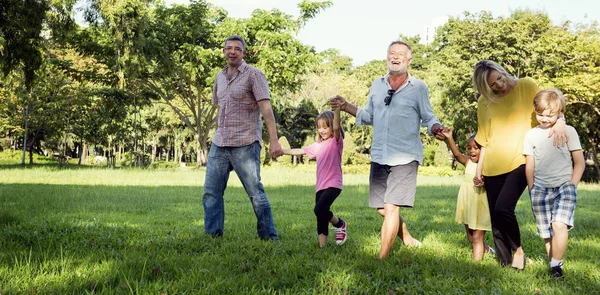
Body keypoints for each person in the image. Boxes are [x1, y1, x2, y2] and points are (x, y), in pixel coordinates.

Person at [331, 40, 445, 259]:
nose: (395, 56)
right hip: (380, 154)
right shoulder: (377, 84)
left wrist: (436, 128)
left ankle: (381, 258)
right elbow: (369, 116)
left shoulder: (418, 87)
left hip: (405, 156)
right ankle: (408, 239)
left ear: (409, 60)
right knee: (383, 209)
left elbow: (428, 117)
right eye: (392, 53)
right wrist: (345, 106)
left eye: (400, 54)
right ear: (387, 57)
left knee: (392, 207)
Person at [471, 60, 567, 269]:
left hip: (522, 159)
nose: (499, 85)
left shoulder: (526, 85)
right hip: (492, 165)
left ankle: (518, 251)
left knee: (504, 208)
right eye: (492, 85)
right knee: (496, 216)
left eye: (499, 78)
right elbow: (485, 139)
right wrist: (479, 170)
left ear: (502, 71)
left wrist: (560, 121)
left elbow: (549, 107)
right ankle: (505, 264)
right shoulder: (483, 102)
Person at [202, 34, 284, 240]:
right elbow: (219, 107)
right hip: (220, 143)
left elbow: (266, 109)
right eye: (228, 48)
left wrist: (274, 140)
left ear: (243, 53)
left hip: (245, 143)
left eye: (237, 49)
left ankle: (269, 237)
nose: (232, 51)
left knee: (256, 194)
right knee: (211, 193)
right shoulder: (219, 77)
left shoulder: (254, 75)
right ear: (223, 51)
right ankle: (213, 236)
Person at [523, 89, 585, 278]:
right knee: (547, 233)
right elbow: (530, 165)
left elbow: (579, 163)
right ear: (534, 110)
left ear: (560, 113)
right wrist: (532, 188)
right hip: (540, 189)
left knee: (559, 225)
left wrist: (572, 185)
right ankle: (554, 266)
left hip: (564, 186)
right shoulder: (531, 135)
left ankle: (557, 266)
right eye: (540, 114)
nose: (544, 119)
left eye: (550, 115)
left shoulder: (569, 131)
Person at [282, 108, 347, 248]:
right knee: (321, 216)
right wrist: (282, 151)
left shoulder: (336, 142)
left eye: (325, 127)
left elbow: (336, 126)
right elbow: (300, 151)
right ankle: (323, 247)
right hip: (320, 186)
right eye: (319, 127)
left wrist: (337, 109)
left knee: (319, 209)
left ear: (332, 127)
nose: (322, 130)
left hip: (333, 184)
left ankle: (340, 224)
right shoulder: (318, 146)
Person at [441, 128, 494, 261]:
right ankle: (487, 250)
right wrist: (449, 137)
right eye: (469, 148)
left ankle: (475, 265)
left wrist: (484, 183)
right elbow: (457, 153)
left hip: (480, 206)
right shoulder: (467, 162)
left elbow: (494, 185)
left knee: (477, 237)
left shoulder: (487, 166)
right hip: (467, 204)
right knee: (471, 238)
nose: (471, 151)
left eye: (476, 148)